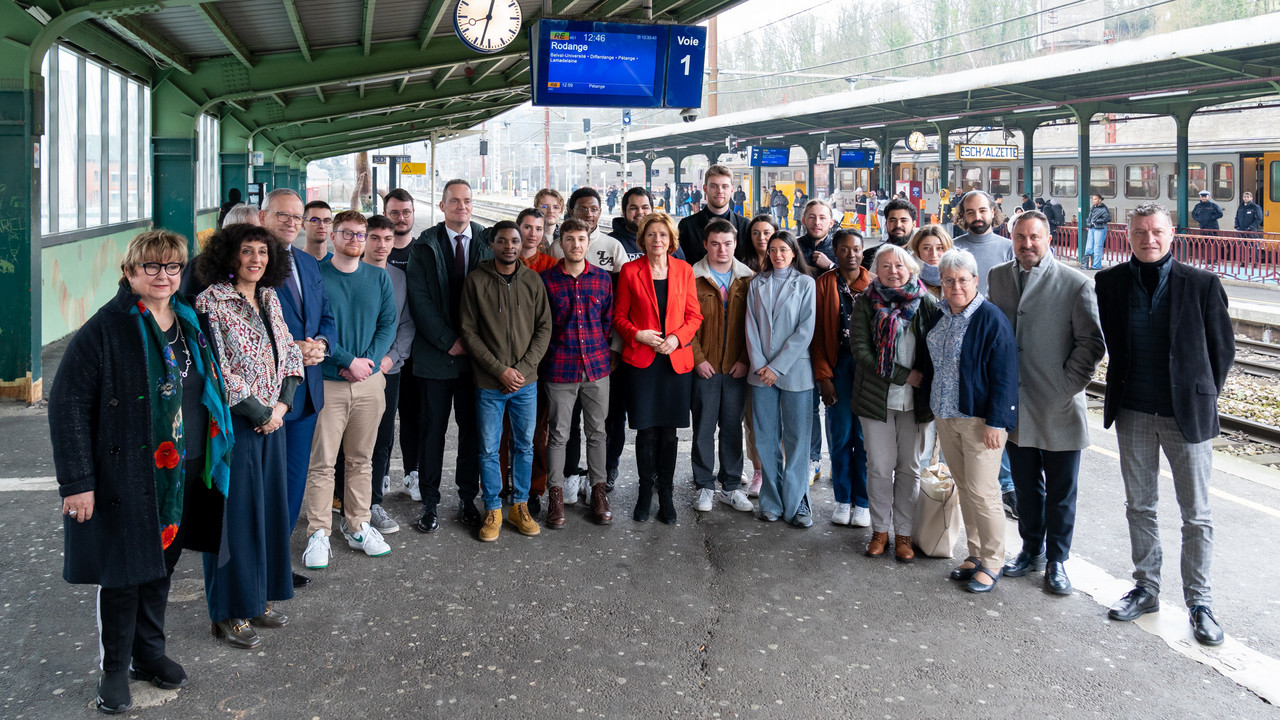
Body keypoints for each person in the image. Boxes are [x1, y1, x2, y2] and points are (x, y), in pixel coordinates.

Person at [50, 230, 234, 713]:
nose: (162, 276)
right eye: (150, 267)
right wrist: (77, 483)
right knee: (124, 574)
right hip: (127, 472)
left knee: (162, 567)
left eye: (172, 267)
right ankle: (114, 669)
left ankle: (148, 653)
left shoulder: (190, 321)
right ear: (130, 272)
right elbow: (67, 404)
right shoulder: (107, 328)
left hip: (186, 466)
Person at [1095, 204, 1233, 647]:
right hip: (1133, 410)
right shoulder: (1109, 282)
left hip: (1185, 415)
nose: (1148, 239)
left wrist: (1198, 393)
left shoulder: (1202, 284)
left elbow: (1221, 351)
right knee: (1140, 506)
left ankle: (1200, 603)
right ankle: (1147, 588)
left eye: (1156, 231)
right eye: (1139, 232)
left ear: (1171, 234)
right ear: (1127, 236)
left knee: (1197, 514)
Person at [195, 223, 305, 646]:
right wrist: (260, 411)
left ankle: (256, 600)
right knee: (230, 522)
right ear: (229, 256)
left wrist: (280, 407)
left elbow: (290, 353)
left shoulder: (270, 298)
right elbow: (218, 370)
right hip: (233, 426)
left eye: (263, 251)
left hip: (271, 422)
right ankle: (226, 612)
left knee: (266, 515)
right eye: (247, 251)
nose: (256, 259)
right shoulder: (211, 303)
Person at [988, 211, 1105, 596]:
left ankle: (1058, 560)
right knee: (1025, 487)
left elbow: (1092, 343)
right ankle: (1031, 550)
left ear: (1049, 238)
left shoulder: (1074, 283)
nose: (1026, 244)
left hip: (1059, 405)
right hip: (1016, 406)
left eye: (1034, 237)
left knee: (1061, 490)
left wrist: (1065, 386)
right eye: (1020, 237)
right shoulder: (999, 277)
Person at [301, 210, 397, 570]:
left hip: (369, 383)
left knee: (361, 459)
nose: (355, 240)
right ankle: (318, 533)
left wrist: (366, 363)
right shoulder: (315, 275)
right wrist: (344, 359)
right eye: (348, 234)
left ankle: (358, 525)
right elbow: (312, 327)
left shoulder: (378, 277)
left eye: (361, 235)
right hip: (327, 381)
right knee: (322, 461)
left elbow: (387, 324)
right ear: (334, 236)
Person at [925, 248, 1018, 594]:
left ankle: (994, 561)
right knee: (965, 490)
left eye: (963, 280)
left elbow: (1005, 374)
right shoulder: (939, 314)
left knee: (983, 492)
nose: (956, 286)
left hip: (981, 420)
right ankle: (976, 554)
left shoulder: (991, 318)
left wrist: (998, 422)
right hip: (946, 414)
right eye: (949, 280)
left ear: (975, 281)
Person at [258, 189, 335, 590]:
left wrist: (321, 343)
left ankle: (276, 566)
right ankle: (255, 566)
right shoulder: (251, 262)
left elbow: (325, 314)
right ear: (262, 216)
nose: (291, 222)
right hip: (268, 398)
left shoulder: (307, 262)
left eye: (296, 216)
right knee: (262, 485)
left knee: (291, 484)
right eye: (282, 215)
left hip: (307, 394)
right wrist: (293, 350)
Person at [405, 179, 493, 532]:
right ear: (442, 206)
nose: (461, 206)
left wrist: (474, 344)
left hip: (477, 359)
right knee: (433, 431)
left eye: (467, 200)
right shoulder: (425, 245)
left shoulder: (487, 241)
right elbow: (419, 299)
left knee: (472, 432)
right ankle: (430, 502)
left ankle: (467, 498)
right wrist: (448, 340)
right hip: (435, 356)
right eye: (454, 201)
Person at [460, 220, 552, 542]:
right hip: (489, 383)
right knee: (488, 449)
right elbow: (469, 332)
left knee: (525, 446)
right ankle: (493, 508)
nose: (510, 246)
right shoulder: (475, 282)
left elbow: (544, 328)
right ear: (492, 245)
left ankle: (520, 506)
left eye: (514, 240)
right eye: (503, 241)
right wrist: (499, 370)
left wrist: (523, 370)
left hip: (526, 384)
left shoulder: (532, 281)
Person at [614, 212, 703, 524]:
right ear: (643, 238)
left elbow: (694, 317)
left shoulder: (684, 270)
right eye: (651, 234)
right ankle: (643, 491)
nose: (657, 240)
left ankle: (665, 494)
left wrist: (677, 339)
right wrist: (637, 334)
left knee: (669, 432)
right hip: (642, 360)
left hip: (674, 362)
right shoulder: (629, 271)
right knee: (645, 430)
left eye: (663, 235)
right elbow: (619, 316)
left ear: (671, 240)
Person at [851, 244, 938, 561]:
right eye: (885, 266)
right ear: (876, 270)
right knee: (878, 468)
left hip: (916, 403)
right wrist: (904, 375)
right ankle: (879, 531)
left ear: (911, 268)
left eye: (898, 265)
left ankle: (903, 535)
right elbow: (861, 352)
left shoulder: (927, 302)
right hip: (877, 399)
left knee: (910, 469)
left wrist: (921, 379)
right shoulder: (866, 302)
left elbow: (936, 350)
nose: (892, 271)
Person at [541, 218, 615, 527]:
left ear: (588, 242)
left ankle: (598, 492)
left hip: (596, 368)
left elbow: (607, 321)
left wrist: (605, 356)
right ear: (561, 243)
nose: (575, 245)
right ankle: (555, 497)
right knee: (558, 434)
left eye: (581, 239)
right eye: (569, 239)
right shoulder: (546, 280)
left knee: (597, 433)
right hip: (560, 367)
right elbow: (541, 325)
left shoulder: (602, 279)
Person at [745, 231, 817, 527]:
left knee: (798, 439)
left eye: (783, 249)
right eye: (772, 250)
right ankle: (771, 501)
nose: (777, 255)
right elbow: (749, 325)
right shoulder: (756, 283)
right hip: (760, 372)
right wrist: (762, 364)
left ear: (793, 252)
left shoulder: (806, 283)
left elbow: (806, 329)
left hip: (795, 370)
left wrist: (777, 366)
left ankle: (797, 502)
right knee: (765, 437)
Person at [689, 218, 756, 515]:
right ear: (705, 245)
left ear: (735, 245)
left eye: (727, 243)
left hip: (735, 368)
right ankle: (704, 484)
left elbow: (754, 326)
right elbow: (684, 322)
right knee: (703, 427)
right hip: (704, 367)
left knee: (732, 428)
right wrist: (697, 359)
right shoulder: (692, 277)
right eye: (715, 243)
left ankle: (731, 486)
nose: (721, 249)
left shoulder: (748, 278)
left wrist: (744, 359)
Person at [812, 229, 872, 528]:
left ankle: (862, 502)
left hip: (868, 371)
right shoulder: (824, 284)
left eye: (857, 249)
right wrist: (824, 377)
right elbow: (818, 335)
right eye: (845, 249)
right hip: (838, 366)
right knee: (840, 435)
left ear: (863, 252)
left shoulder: (874, 285)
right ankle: (843, 499)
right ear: (834, 251)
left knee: (863, 439)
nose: (851, 254)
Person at [361, 214, 416, 535]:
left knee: (382, 438)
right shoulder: (352, 271)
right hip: (351, 372)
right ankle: (345, 499)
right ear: (364, 239)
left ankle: (373, 502)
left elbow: (406, 324)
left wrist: (391, 358)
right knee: (349, 441)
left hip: (388, 370)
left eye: (387, 239)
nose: (381, 245)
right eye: (375, 238)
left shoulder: (399, 277)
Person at [383, 188, 422, 503]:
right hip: (386, 354)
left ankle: (413, 473)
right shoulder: (377, 254)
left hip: (418, 350)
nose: (400, 218)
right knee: (381, 417)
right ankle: (381, 473)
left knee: (413, 414)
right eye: (394, 212)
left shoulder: (423, 251)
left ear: (413, 213)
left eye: (405, 212)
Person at [677, 164, 751, 265]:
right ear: (705, 188)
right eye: (713, 186)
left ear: (732, 189)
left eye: (725, 186)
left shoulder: (745, 226)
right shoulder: (687, 226)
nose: (720, 191)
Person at [549, 187, 629, 273]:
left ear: (600, 212)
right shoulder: (557, 247)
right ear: (572, 212)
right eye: (582, 209)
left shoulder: (614, 246)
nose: (588, 214)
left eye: (594, 209)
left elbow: (624, 281)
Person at [953, 191, 1013, 294]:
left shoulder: (1010, 248)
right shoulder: (951, 248)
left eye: (982, 211)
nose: (977, 217)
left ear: (993, 212)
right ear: (963, 216)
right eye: (970, 212)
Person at [611, 187, 685, 262]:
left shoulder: (667, 240)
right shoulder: (611, 242)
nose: (640, 212)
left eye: (645, 207)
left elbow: (682, 269)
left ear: (652, 211)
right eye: (633, 208)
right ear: (624, 212)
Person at [860, 198, 919, 271]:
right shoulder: (869, 257)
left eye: (903, 220)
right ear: (886, 224)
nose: (898, 225)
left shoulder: (921, 257)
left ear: (913, 225)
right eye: (892, 220)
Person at [908, 225, 954, 297]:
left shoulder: (960, 275)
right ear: (917, 250)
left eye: (940, 248)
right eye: (927, 248)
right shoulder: (907, 277)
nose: (934, 254)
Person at [796, 199, 837, 275]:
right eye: (812, 217)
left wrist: (830, 266)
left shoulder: (839, 249)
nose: (817, 222)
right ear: (803, 221)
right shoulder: (793, 247)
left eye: (822, 218)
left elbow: (849, 282)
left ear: (831, 223)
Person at [517, 207, 557, 273]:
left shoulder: (551, 264)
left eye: (538, 229)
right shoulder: (506, 260)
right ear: (517, 228)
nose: (533, 234)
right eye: (527, 227)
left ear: (543, 232)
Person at [1084, 194, 1112, 271]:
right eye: (1093, 199)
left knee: (1097, 246)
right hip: (1093, 228)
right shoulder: (1094, 207)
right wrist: (1089, 223)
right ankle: (1087, 264)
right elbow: (1090, 218)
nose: (1094, 201)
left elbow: (1108, 218)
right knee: (1089, 246)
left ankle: (1096, 265)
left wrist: (1095, 222)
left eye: (1095, 199)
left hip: (1100, 228)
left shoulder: (1104, 208)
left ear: (1100, 199)